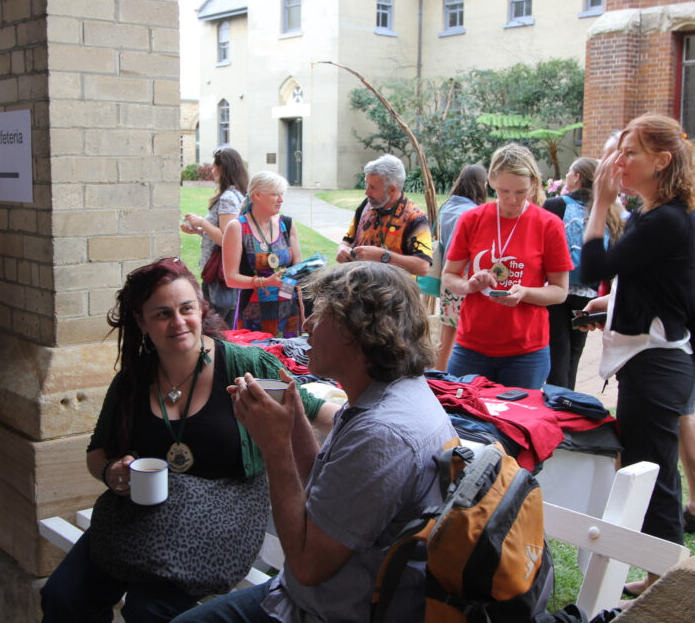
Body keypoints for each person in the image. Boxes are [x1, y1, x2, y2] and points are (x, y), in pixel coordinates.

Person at [40, 257, 337, 623]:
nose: (179, 323)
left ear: (201, 308)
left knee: (149, 610)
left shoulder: (245, 364)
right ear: (141, 321)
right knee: (62, 597)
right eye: (163, 314)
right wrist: (113, 473)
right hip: (141, 518)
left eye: (187, 309)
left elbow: (317, 410)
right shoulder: (132, 381)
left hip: (224, 515)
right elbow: (97, 453)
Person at [171, 262, 456, 622]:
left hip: (324, 611)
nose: (305, 325)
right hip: (308, 596)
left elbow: (306, 565)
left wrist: (274, 448)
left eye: (320, 314)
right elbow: (327, 489)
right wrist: (292, 423)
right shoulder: (390, 396)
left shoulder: (383, 434)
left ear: (358, 330)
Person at [579, 114, 695, 595]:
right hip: (654, 362)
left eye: (630, 152)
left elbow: (594, 265)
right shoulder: (662, 215)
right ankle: (658, 574)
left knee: (651, 475)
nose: (618, 161)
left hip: (656, 365)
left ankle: (663, 581)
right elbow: (658, 283)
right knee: (651, 469)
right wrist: (611, 304)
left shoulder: (666, 218)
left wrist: (600, 204)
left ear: (662, 161)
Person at [441, 143, 572, 389]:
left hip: (526, 352)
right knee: (462, 420)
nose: (512, 200)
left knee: (516, 423)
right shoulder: (471, 219)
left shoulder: (549, 225)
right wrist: (468, 285)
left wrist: (525, 293)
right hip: (471, 346)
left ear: (534, 183)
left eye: (521, 192)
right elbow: (449, 275)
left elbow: (559, 291)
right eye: (504, 191)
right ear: (491, 180)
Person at [543, 158, 624, 389]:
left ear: (577, 177)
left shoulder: (555, 205)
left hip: (558, 289)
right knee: (575, 352)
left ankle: (557, 404)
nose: (568, 175)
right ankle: (569, 399)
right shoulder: (605, 209)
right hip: (588, 291)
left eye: (570, 171)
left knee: (557, 349)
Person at [222, 172, 303, 337]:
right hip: (252, 312)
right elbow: (230, 278)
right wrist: (265, 282)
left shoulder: (287, 224)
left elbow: (298, 269)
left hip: (288, 310)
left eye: (282, 194)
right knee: (256, 358)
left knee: (288, 359)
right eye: (275, 194)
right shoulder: (237, 227)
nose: (281, 199)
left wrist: (286, 289)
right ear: (257, 195)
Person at [181, 146, 248, 327]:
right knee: (223, 326)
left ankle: (212, 355)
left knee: (213, 327)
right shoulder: (238, 194)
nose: (212, 169)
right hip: (226, 271)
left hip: (218, 274)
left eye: (214, 166)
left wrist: (201, 222)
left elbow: (226, 239)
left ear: (222, 168)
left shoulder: (227, 198)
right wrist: (199, 231)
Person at [335, 154, 433, 276]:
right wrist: (342, 249)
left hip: (396, 293)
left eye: (372, 187)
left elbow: (423, 267)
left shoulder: (415, 218)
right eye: (367, 185)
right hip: (358, 288)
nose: (366, 192)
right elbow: (347, 241)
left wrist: (382, 256)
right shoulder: (366, 205)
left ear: (392, 190)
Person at [434, 164, 487, 371]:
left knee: (446, 334)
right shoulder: (472, 213)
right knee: (465, 336)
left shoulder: (447, 207)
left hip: (447, 277)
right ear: (479, 184)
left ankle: (437, 375)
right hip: (466, 279)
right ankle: (456, 379)